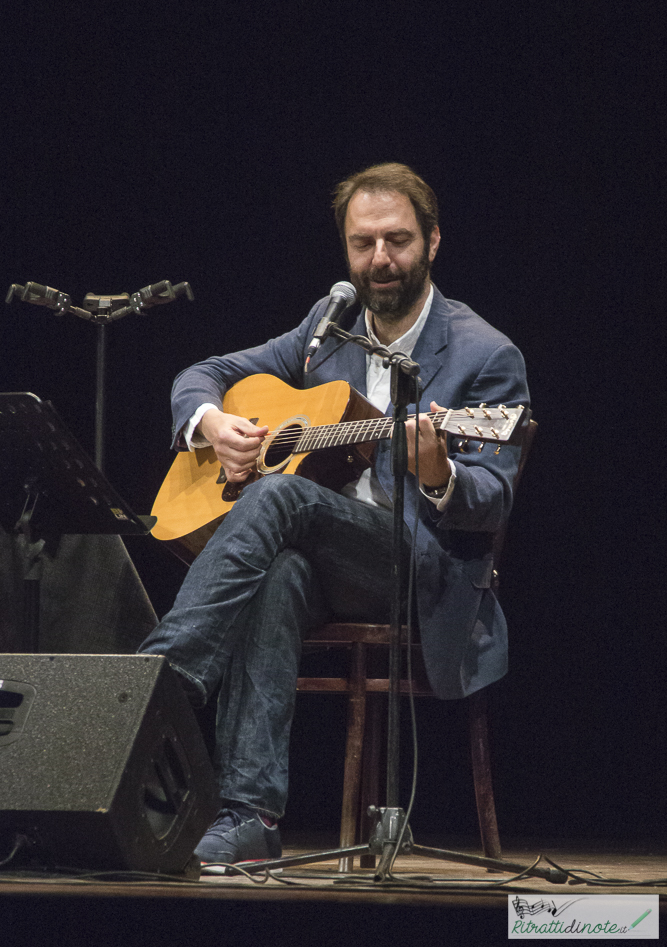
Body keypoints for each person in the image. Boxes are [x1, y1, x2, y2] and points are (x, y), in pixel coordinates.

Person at [139, 163, 529, 865]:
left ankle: (158, 685)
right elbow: (203, 374)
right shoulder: (328, 327)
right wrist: (209, 424)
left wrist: (440, 475)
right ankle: (251, 815)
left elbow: (492, 497)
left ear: (432, 242)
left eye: (397, 240)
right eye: (363, 243)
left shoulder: (484, 353)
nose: (380, 259)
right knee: (279, 569)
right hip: (322, 558)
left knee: (281, 496)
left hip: (419, 569)